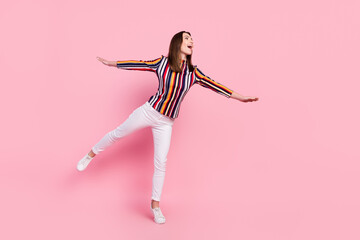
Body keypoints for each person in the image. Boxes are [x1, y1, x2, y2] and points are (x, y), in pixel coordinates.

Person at [77, 31, 259, 224]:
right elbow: (139, 65)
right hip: (149, 111)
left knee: (161, 162)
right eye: (187, 38)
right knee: (118, 133)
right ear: (177, 43)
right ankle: (90, 154)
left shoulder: (194, 73)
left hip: (166, 122)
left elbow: (216, 85)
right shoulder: (161, 63)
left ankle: (155, 206)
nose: (192, 41)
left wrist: (242, 98)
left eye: (192, 39)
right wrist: (111, 63)